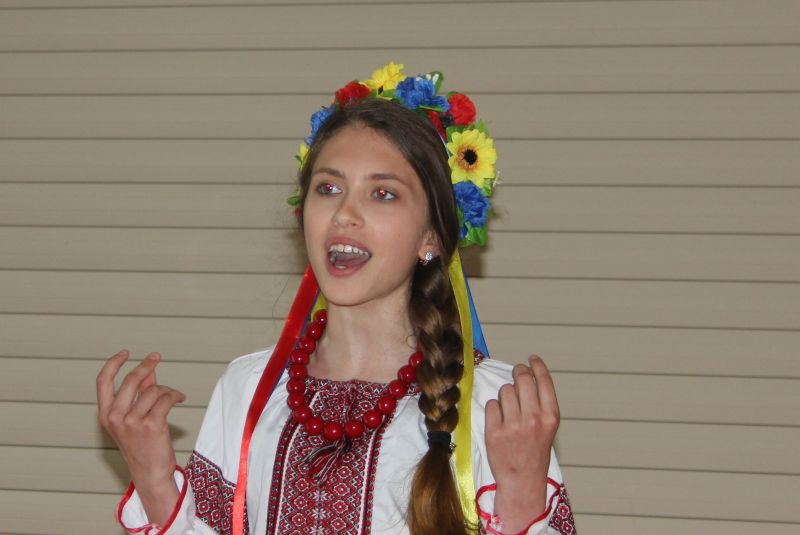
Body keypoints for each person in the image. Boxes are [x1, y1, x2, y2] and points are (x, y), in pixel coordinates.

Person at [96, 62, 576, 535]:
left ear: (431, 236)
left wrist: (520, 501)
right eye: (328, 188)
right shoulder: (250, 389)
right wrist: (154, 482)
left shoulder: (494, 406)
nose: (344, 213)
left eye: (383, 194)